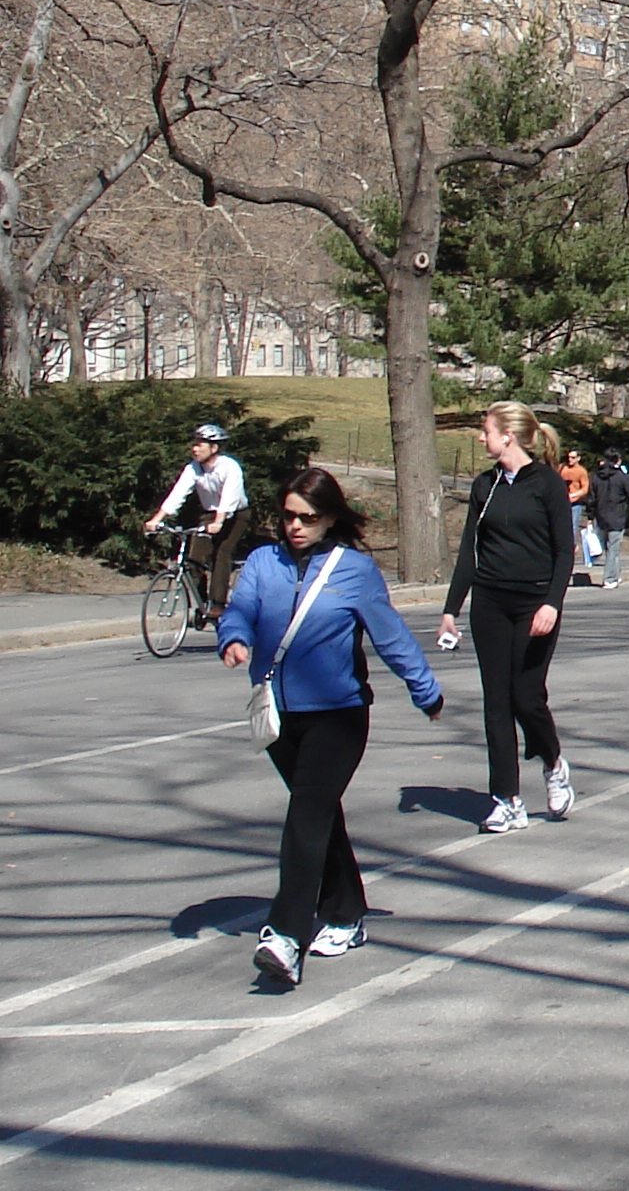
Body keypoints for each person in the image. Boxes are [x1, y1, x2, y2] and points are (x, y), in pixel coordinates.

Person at [220, 467, 444, 986]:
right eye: (289, 516)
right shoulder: (261, 562)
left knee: (306, 815)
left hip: (339, 715)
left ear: (330, 518)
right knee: (316, 814)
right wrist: (232, 639)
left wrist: (424, 689)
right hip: (279, 715)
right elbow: (240, 611)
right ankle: (345, 912)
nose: (296, 527)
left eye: (309, 518)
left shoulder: (355, 571)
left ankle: (285, 934)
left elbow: (390, 637)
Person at [438, 402, 576, 834]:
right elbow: (468, 552)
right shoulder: (485, 486)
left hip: (535, 605)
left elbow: (562, 552)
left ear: (508, 436)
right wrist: (450, 610)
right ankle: (507, 800)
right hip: (491, 604)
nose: (481, 438)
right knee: (496, 703)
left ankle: (553, 763)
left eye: (486, 431)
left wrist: (552, 603)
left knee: (526, 697)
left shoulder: (547, 486)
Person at [146, 421, 250, 626]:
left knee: (222, 553)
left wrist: (220, 521)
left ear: (214, 448)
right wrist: (157, 519)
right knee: (194, 560)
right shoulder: (193, 468)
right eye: (194, 444)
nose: (194, 448)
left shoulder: (230, 467)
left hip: (235, 514)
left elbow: (230, 496)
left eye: (200, 445)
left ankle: (218, 604)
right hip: (210, 514)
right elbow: (178, 493)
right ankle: (203, 606)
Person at [587, 450, 629, 590]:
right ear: (618, 460)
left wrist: (590, 516)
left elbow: (590, 499)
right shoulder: (623, 477)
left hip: (601, 516)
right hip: (616, 516)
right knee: (613, 548)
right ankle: (609, 578)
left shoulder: (595, 477)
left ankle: (616, 574)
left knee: (609, 548)